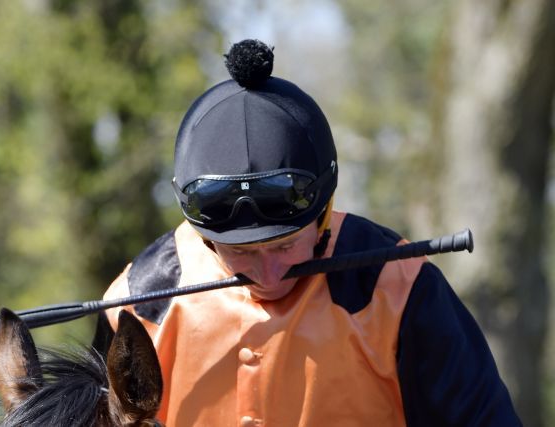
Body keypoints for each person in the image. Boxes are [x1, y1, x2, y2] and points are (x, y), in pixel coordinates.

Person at [101, 39, 521, 426]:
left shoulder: (399, 289)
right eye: (240, 252)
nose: (268, 274)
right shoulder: (139, 301)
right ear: (204, 236)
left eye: (285, 244)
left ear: (324, 212)